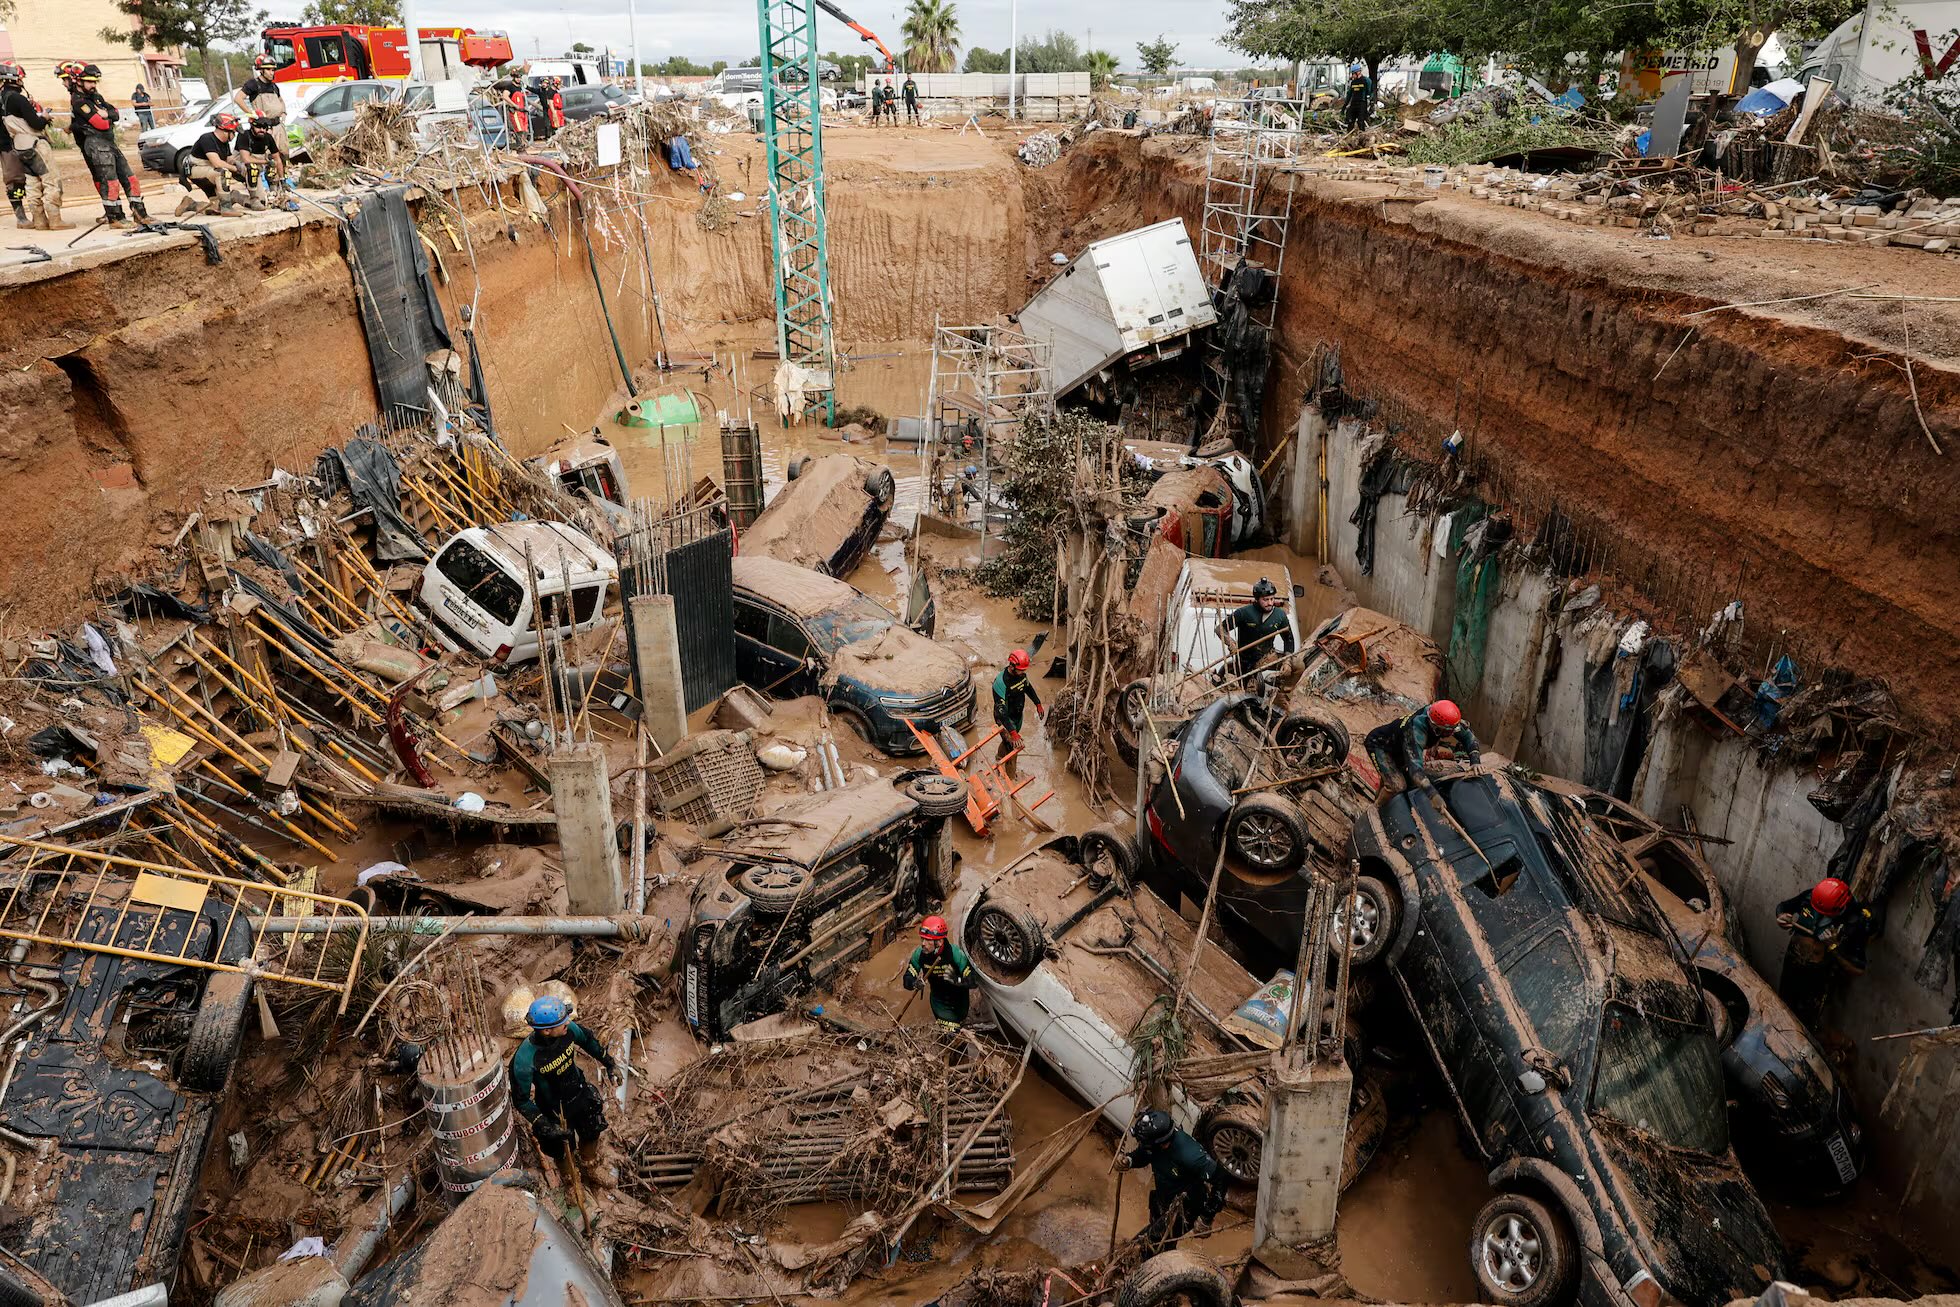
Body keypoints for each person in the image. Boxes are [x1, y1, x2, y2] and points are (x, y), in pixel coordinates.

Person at [509, 995, 616, 1167]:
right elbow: (521, 1100)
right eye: (562, 1021)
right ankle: (570, 1178)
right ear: (546, 1031)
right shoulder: (524, 1059)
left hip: (579, 1095)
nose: (568, 1022)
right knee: (561, 1150)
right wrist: (543, 1123)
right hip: (553, 1112)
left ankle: (590, 1164)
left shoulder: (570, 1030)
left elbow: (588, 1041)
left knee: (592, 1130)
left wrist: (609, 1063)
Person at [1775, 877, 1878, 1029]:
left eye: (1824, 913)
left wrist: (1833, 947)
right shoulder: (1812, 897)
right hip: (1793, 962)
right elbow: (1784, 906)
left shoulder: (1857, 921)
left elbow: (1858, 969)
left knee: (1804, 1021)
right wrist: (1781, 916)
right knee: (1781, 1004)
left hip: (1818, 977)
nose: (1818, 914)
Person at [1119, 1108, 1228, 1248]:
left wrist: (1207, 1217)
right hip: (1163, 1198)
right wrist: (1130, 1160)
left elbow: (1221, 1178)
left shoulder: (1190, 1155)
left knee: (1150, 1244)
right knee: (1159, 1238)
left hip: (1185, 1208)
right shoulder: (1155, 1146)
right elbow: (1145, 1154)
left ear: (1162, 1143)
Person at [63, 62, 150, 228]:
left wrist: (107, 115)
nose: (93, 85)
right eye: (89, 81)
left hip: (109, 142)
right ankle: (115, 218)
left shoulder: (96, 97)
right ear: (79, 81)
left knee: (130, 178)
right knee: (110, 181)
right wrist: (106, 116)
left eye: (95, 81)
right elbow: (101, 124)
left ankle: (140, 214)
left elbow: (115, 113)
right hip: (96, 144)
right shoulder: (79, 101)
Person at [1363, 699, 1480, 797]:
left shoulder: (1444, 718)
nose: (1452, 734)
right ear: (1436, 728)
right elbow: (1415, 767)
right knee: (1397, 786)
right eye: (1448, 732)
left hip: (1400, 747)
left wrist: (1475, 762)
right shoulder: (1416, 731)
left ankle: (1382, 794)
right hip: (1380, 746)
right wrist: (1432, 794)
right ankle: (1375, 810)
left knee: (1393, 777)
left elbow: (1468, 737)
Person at [2, 62, 69, 231]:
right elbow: (36, 124)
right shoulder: (18, 98)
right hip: (34, 143)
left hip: (18, 145)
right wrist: (45, 117)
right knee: (50, 180)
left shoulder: (2, 99)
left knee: (32, 184)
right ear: (16, 79)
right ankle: (55, 220)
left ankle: (38, 220)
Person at [231, 55, 296, 187]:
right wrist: (251, 113)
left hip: (278, 125)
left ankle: (282, 182)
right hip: (265, 127)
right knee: (268, 157)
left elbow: (280, 100)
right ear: (261, 70)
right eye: (269, 70)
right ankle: (269, 185)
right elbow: (238, 98)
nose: (272, 72)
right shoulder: (253, 84)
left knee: (282, 155)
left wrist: (283, 113)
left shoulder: (274, 86)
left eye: (273, 70)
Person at [902, 916, 978, 1027]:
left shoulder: (956, 954)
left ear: (940, 941)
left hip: (960, 1001)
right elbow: (907, 979)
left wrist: (956, 980)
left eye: (928, 940)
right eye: (922, 939)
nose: (923, 943)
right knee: (950, 1032)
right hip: (939, 1003)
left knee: (962, 1023)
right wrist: (915, 983)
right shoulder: (919, 954)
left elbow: (973, 981)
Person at [176, 112, 255, 216]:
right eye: (233, 132)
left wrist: (239, 165)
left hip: (209, 171)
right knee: (222, 172)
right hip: (196, 169)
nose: (234, 135)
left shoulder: (224, 143)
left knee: (215, 208)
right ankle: (227, 208)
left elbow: (228, 159)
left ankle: (190, 204)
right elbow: (217, 163)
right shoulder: (207, 139)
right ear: (225, 131)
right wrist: (236, 169)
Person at [1219, 577, 1294, 683]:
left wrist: (1287, 661)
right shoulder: (1244, 613)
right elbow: (1220, 628)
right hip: (1245, 661)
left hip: (1267, 658)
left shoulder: (1280, 615)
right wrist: (1230, 642)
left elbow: (1289, 639)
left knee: (1298, 665)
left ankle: (1283, 690)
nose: (1270, 603)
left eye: (1272, 599)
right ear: (1257, 599)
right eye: (1265, 600)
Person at [991, 647, 1044, 772]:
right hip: (1004, 718)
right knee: (1014, 747)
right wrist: (1013, 733)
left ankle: (999, 758)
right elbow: (1001, 711)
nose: (1023, 672)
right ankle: (1010, 777)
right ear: (1012, 666)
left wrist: (1038, 703)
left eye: (1024, 670)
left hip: (1017, 715)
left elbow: (1028, 688)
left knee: (1007, 743)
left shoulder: (1021, 676)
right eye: (1021, 670)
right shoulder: (1001, 682)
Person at [492, 74, 531, 149]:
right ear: (514, 78)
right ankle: (519, 145)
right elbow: (504, 96)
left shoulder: (519, 87)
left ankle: (524, 144)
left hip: (522, 111)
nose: (519, 79)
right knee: (519, 129)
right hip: (515, 111)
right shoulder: (510, 87)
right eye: (517, 78)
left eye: (520, 78)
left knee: (524, 129)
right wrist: (514, 105)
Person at [1342, 61, 1372, 131]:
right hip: (1354, 103)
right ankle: (1349, 137)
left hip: (1362, 103)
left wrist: (1371, 101)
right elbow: (1349, 94)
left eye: (1353, 74)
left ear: (1358, 72)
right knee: (1350, 121)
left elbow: (1370, 92)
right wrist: (1344, 106)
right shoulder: (1353, 82)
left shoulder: (1366, 80)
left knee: (1360, 122)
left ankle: (1362, 136)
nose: (1352, 75)